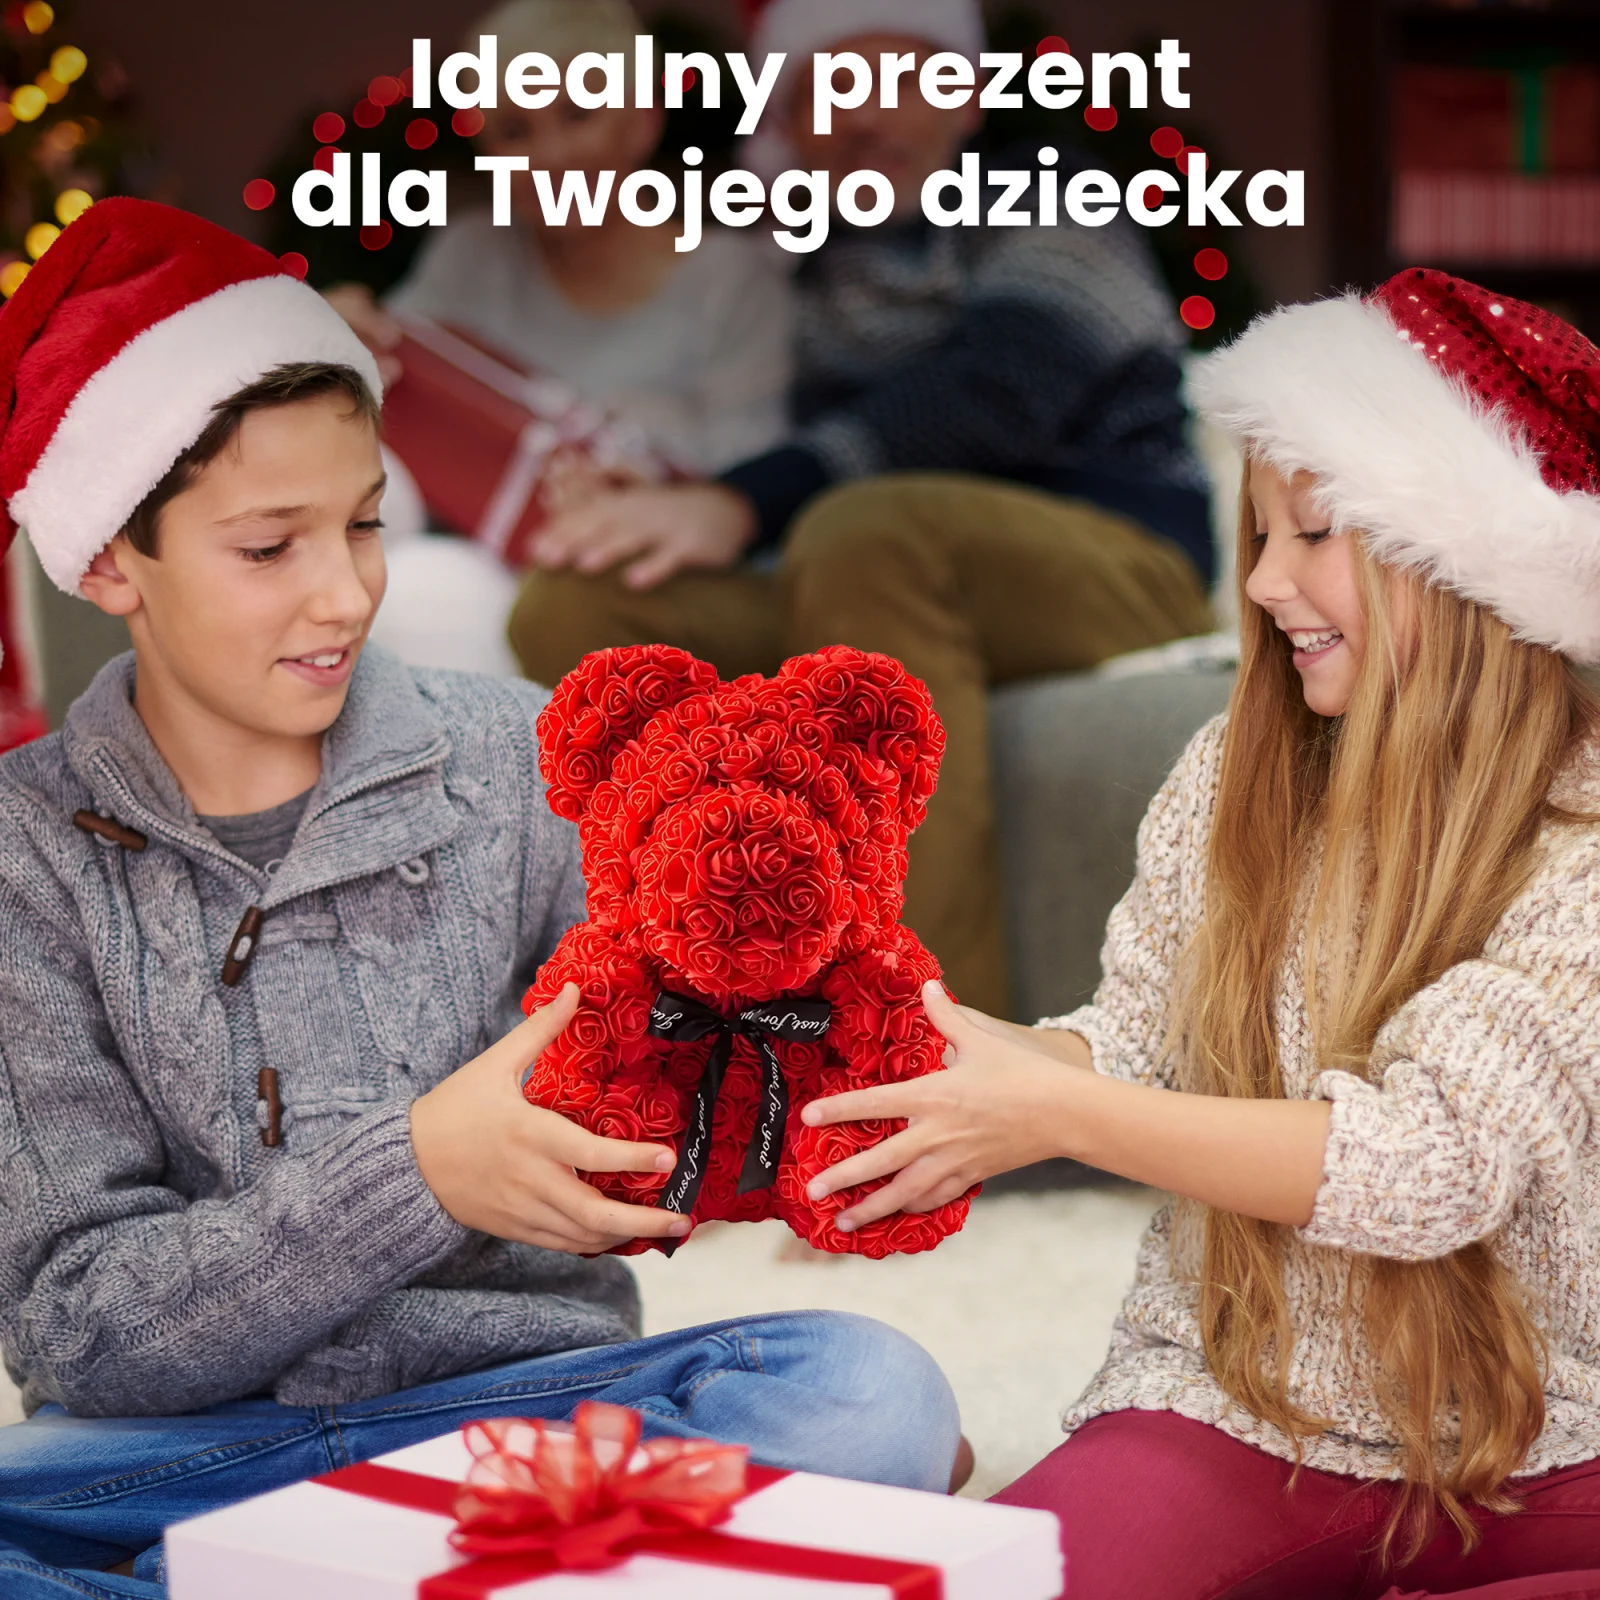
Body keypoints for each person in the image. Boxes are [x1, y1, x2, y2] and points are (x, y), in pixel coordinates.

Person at [0, 199, 958, 1600]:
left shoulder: (524, 761)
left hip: (534, 1416)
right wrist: (420, 1169)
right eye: (271, 549)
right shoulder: (25, 857)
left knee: (869, 1391)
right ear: (107, 564)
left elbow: (681, 1091)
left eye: (368, 525)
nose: (344, 595)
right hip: (180, 1451)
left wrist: (726, 1101)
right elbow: (82, 1334)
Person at [793, 270, 1600, 1597]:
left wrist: (1059, 1120)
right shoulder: (1230, 774)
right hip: (1246, 1418)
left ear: (1466, 567)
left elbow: (1426, 1166)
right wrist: (980, 1065)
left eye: (1318, 531)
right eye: (1259, 531)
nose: (1268, 579)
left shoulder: (1581, 851)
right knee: (1016, 1582)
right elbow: (1146, 1042)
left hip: (1552, 1454)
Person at [509, 0, 1214, 1018]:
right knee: (586, 604)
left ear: (965, 96)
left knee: (868, 529)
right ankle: (678, 1022)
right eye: (822, 93)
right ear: (785, 127)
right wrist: (654, 487)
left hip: (1111, 564)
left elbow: (997, 390)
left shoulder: (1050, 194)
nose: (859, 116)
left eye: (893, 78)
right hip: (873, 583)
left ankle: (924, 1046)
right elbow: (707, 399)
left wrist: (742, 503)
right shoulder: (785, 259)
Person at [331, 0, 793, 677]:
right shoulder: (473, 255)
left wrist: (642, 487)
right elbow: (391, 386)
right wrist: (336, 335)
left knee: (482, 605)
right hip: (479, 547)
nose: (549, 156)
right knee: (412, 575)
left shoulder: (731, 278)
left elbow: (751, 475)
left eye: (578, 115)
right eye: (515, 131)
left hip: (643, 578)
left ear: (641, 121)